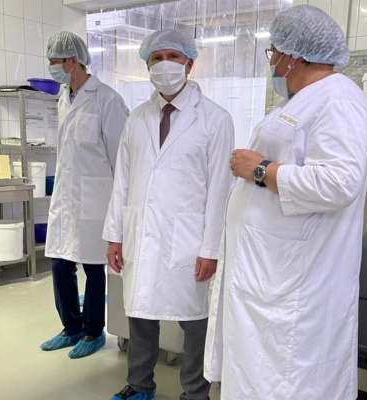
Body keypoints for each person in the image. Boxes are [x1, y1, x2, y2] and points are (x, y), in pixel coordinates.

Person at [203, 5, 367, 399]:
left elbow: (339, 182)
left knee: (289, 381)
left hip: (296, 282)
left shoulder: (339, 99)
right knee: (260, 375)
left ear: (294, 56)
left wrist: (261, 169)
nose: (272, 62)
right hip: (271, 273)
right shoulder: (301, 100)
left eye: (274, 51)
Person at [103, 29, 235, 400]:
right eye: (156, 58)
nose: (165, 65)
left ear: (189, 64)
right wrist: (115, 235)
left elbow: (220, 190)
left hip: (190, 238)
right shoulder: (137, 118)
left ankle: (195, 392)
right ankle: (140, 384)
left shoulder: (215, 119)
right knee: (140, 311)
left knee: (195, 319)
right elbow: (122, 180)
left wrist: (211, 249)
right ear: (147, 66)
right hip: (142, 232)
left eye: (173, 57)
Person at [40, 31, 129, 359]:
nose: (52, 67)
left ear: (72, 60)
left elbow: (123, 158)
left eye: (55, 61)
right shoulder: (64, 98)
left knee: (93, 267)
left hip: (96, 199)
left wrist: (121, 208)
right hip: (66, 197)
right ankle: (71, 326)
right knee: (60, 263)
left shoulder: (107, 100)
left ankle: (93, 330)